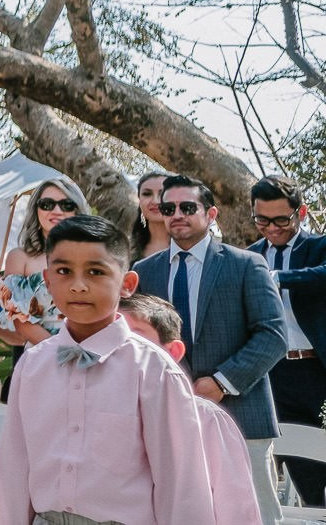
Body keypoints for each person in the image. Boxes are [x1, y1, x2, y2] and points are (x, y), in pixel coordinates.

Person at [0, 214, 218, 525]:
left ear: (127, 284)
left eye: (96, 272)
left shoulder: (155, 371)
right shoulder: (32, 365)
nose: (78, 286)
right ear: (47, 281)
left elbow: (182, 485)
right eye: (64, 271)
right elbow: (13, 471)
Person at [132, 174, 285, 525]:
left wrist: (221, 382)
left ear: (211, 214)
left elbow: (273, 335)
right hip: (168, 418)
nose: (177, 215)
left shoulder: (246, 264)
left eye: (188, 207)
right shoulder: (144, 271)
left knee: (255, 515)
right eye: (168, 209)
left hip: (242, 414)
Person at [120, 293, 262, 525]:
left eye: (135, 337)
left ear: (172, 352)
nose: (120, 347)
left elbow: (235, 506)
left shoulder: (205, 418)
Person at [247, 174, 326, 505]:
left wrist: (278, 277)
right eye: (262, 220)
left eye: (281, 219)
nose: (272, 228)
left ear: (301, 212)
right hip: (273, 374)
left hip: (317, 370)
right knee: (299, 464)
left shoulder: (319, 248)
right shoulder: (249, 256)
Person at [0, 177, 88, 350]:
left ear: (77, 211)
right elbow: (16, 319)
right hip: (41, 354)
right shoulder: (19, 258)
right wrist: (65, 353)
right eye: (47, 204)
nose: (57, 210)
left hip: (91, 352)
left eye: (66, 205)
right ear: (35, 210)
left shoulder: (95, 256)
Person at [131, 170, 170, 262]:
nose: (155, 201)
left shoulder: (194, 245)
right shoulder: (126, 250)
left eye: (163, 194)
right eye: (147, 194)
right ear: (139, 200)